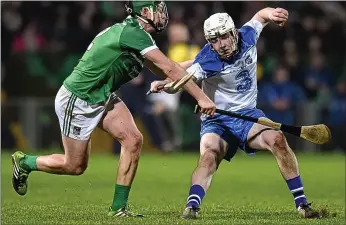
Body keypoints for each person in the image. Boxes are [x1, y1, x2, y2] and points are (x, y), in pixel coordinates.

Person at [11, 0, 216, 218]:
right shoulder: (133, 33)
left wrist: (193, 65)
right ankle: (25, 162)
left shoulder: (137, 34)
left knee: (133, 140)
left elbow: (162, 69)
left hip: (102, 95)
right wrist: (201, 97)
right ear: (145, 12)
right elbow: (168, 67)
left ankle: (118, 209)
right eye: (158, 10)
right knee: (74, 166)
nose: (163, 14)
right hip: (79, 98)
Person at [150, 8, 321, 219]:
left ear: (233, 33)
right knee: (209, 155)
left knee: (277, 138)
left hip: (247, 115)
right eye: (214, 40)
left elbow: (260, 16)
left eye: (223, 37)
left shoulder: (247, 35)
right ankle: (192, 207)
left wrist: (273, 13)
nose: (220, 44)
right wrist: (167, 85)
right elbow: (183, 80)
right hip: (217, 120)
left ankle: (302, 204)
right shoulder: (208, 59)